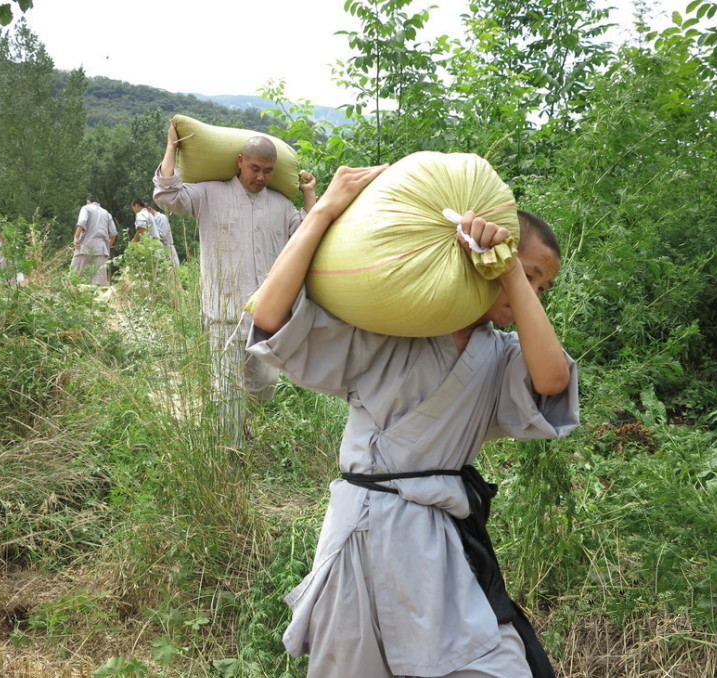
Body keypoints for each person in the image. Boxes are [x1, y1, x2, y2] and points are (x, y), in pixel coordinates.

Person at [247, 165, 579, 678]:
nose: (534, 294)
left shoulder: (503, 355)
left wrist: (511, 270)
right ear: (474, 258)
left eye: (543, 286)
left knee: (496, 665)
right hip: (364, 529)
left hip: (441, 542)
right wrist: (327, 209)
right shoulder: (393, 328)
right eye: (533, 276)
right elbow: (270, 315)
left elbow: (553, 381)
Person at [153, 121, 317, 438]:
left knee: (266, 384)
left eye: (268, 171)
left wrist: (308, 195)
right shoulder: (209, 194)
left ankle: (246, 427)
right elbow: (167, 194)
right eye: (255, 168)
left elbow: (308, 234)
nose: (260, 177)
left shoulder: (281, 206)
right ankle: (231, 451)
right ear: (240, 161)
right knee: (226, 387)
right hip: (223, 311)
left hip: (267, 313)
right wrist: (172, 147)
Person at [71, 195, 117, 285]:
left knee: (74, 276)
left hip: (85, 246)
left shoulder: (86, 208)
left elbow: (82, 221)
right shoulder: (107, 213)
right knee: (100, 282)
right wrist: (108, 245)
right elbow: (114, 233)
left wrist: (76, 237)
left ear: (88, 201)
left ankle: (72, 297)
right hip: (101, 249)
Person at [129, 198, 179, 266]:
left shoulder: (142, 214)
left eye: (133, 208)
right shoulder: (150, 216)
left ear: (136, 205)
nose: (134, 211)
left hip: (165, 246)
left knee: (171, 269)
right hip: (158, 246)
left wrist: (135, 240)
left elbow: (141, 228)